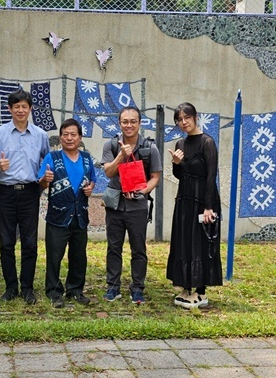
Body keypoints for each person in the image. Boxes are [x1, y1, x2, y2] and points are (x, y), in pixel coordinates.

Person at [0, 89, 49, 304]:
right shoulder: (0, 133)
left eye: (25, 106)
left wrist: (45, 176)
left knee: (30, 243)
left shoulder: (40, 135)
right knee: (6, 242)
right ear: (9, 109)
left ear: (30, 109)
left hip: (30, 192)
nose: (21, 110)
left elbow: (46, 161)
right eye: (16, 106)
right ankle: (11, 287)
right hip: (6, 192)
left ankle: (28, 287)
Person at [101, 106, 162, 305]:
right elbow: (108, 173)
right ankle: (113, 286)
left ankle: (137, 288)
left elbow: (155, 177)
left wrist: (142, 191)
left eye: (133, 121)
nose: (129, 125)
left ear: (139, 123)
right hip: (115, 205)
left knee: (138, 249)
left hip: (137, 205)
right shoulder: (110, 145)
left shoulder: (149, 147)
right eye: (125, 121)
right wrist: (121, 156)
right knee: (113, 247)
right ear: (119, 123)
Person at [166, 102, 222, 308]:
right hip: (185, 200)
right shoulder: (180, 144)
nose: (183, 122)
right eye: (179, 119)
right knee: (183, 241)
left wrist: (209, 207)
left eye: (186, 117)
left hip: (203, 200)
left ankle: (200, 291)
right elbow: (180, 175)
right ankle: (185, 287)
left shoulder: (207, 142)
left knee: (201, 243)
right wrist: (177, 164)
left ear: (195, 117)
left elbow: (210, 175)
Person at [37, 119, 96, 308]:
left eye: (73, 134)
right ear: (60, 137)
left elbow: (92, 180)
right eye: (65, 134)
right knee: (54, 256)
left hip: (80, 215)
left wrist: (90, 188)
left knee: (79, 255)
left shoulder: (87, 158)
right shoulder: (52, 158)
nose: (69, 138)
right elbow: (41, 183)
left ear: (79, 137)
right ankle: (54, 292)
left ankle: (75, 290)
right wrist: (45, 180)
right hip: (58, 215)